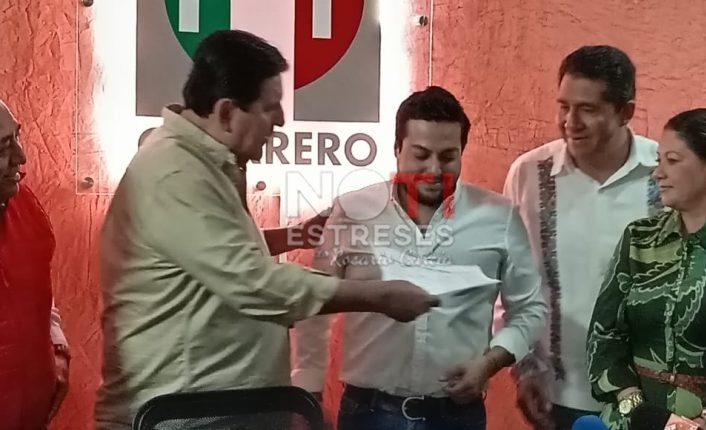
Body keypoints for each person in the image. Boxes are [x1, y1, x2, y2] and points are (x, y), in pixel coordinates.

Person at [95, 30, 439, 429]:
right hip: (183, 417)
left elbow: (218, 253)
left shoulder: (207, 162)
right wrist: (379, 296)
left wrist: (297, 235)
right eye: (270, 107)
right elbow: (255, 285)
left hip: (223, 414)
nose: (281, 120)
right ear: (227, 113)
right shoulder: (176, 173)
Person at [291, 86, 548, 430]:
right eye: (421, 154)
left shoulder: (499, 217)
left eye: (448, 156)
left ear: (462, 152)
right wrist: (307, 392)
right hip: (368, 414)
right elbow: (316, 304)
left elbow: (530, 309)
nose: (434, 168)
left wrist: (489, 364)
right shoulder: (353, 211)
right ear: (397, 149)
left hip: (458, 416)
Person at [501, 45, 662, 429]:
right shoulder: (528, 173)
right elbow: (507, 280)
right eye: (563, 106)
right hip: (555, 395)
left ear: (626, 112)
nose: (570, 122)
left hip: (650, 398)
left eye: (587, 109)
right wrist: (522, 368)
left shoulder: (664, 172)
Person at [587, 108, 706, 430]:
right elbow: (605, 333)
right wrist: (634, 406)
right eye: (658, 160)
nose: (657, 173)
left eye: (672, 161)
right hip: (634, 420)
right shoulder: (639, 238)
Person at [0, 99, 70, 428]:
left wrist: (57, 345)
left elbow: (39, 288)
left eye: (17, 137)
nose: (21, 157)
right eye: (3, 147)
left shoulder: (24, 203)